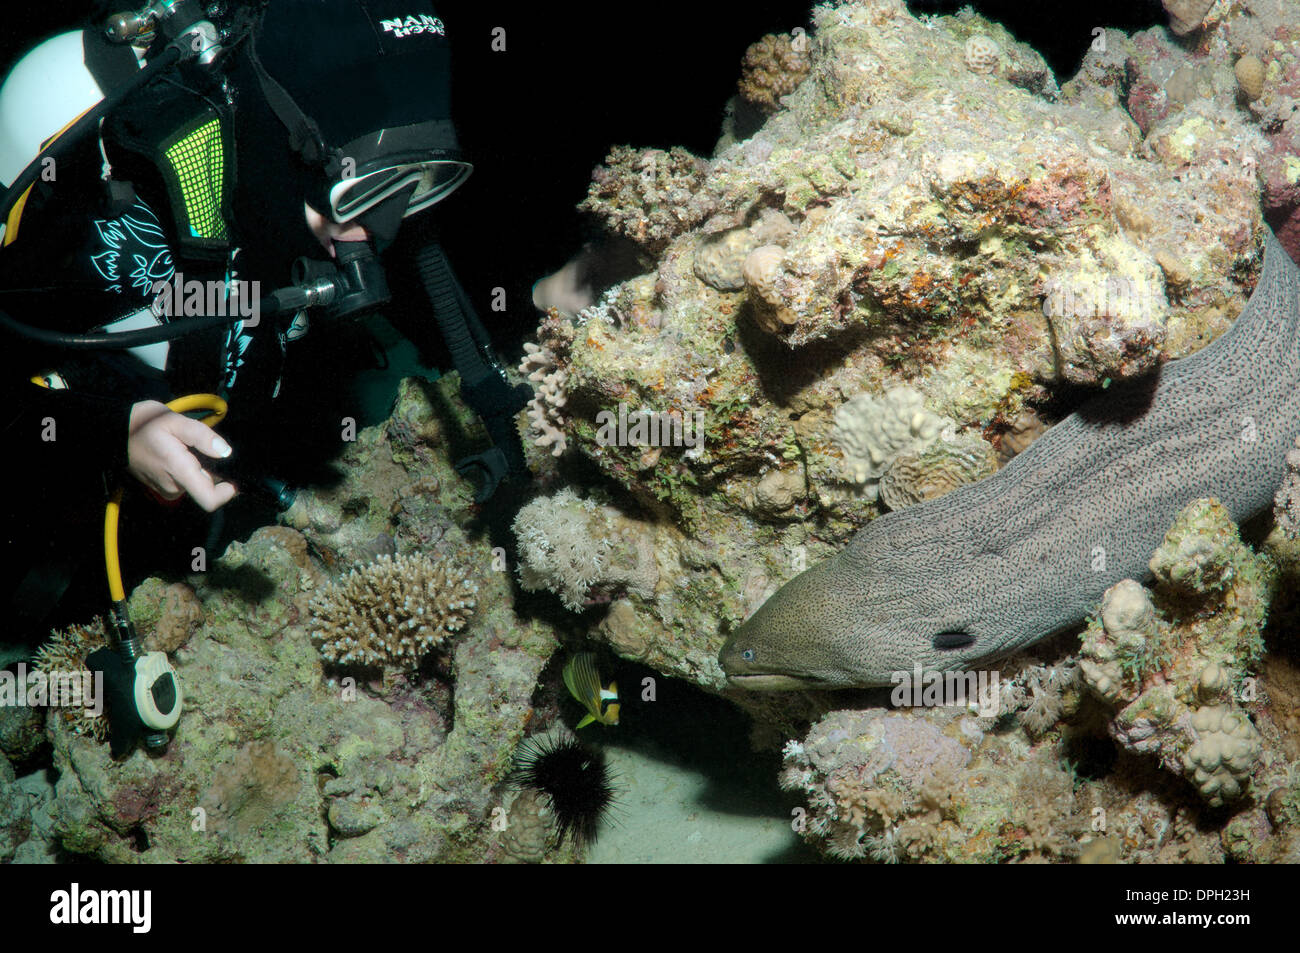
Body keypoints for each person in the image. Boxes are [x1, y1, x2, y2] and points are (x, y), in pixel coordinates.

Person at [0, 0, 496, 637]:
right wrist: (111, 430)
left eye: (415, 184)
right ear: (287, 147)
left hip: (223, 492)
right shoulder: (114, 190)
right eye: (364, 192)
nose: (377, 233)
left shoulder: (337, 204)